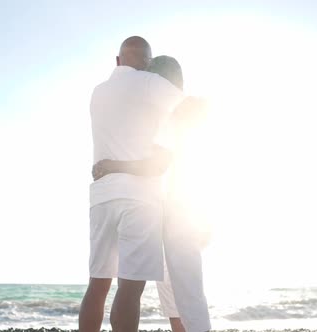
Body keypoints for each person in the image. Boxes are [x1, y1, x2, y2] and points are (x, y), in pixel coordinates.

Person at [92, 55, 212, 332]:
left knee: (185, 295)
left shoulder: (177, 115)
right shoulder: (162, 116)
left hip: (176, 213)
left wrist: (112, 165)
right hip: (160, 211)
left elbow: (160, 166)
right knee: (175, 295)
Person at [79, 37, 186, 332]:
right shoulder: (150, 83)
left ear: (117, 61)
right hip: (139, 199)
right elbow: (186, 106)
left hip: (101, 195)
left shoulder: (98, 92)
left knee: (97, 286)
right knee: (129, 288)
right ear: (148, 64)